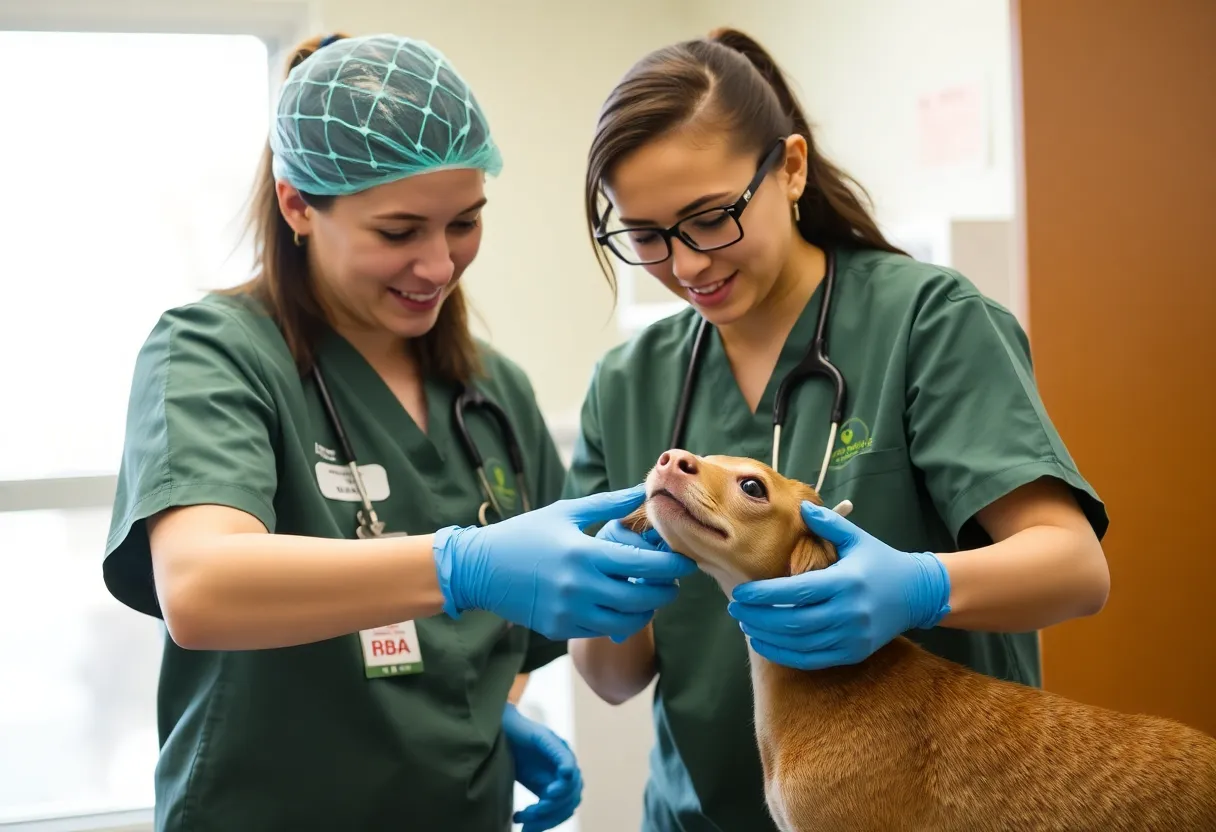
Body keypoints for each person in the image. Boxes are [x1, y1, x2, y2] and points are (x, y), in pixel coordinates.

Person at [101, 32, 695, 832]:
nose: (440, 265)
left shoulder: (492, 395)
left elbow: (511, 645)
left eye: (464, 223)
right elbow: (201, 587)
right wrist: (458, 566)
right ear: (297, 205)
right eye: (398, 231)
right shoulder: (215, 354)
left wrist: (492, 712)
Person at [565, 27, 1111, 832]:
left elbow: (1075, 570)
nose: (685, 266)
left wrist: (920, 588)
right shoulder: (627, 383)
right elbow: (612, 678)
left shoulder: (926, 322)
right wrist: (617, 585)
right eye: (644, 236)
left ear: (790, 168)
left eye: (710, 218)